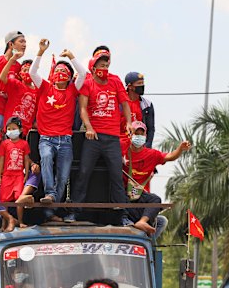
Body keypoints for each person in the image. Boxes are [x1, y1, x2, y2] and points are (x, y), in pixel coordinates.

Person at [65, 48, 133, 225]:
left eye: (106, 64)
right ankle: (74, 212)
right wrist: (89, 127)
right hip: (93, 138)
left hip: (112, 138)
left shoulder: (115, 81)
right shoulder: (88, 83)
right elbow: (82, 109)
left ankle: (123, 215)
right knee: (84, 172)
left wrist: (128, 122)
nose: (104, 68)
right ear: (93, 68)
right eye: (101, 65)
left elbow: (125, 104)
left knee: (116, 176)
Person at [29, 39, 87, 222]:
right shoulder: (45, 87)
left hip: (66, 140)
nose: (60, 73)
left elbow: (84, 73)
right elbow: (32, 72)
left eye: (64, 71)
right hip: (46, 138)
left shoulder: (72, 91)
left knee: (63, 176)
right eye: (58, 70)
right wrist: (40, 52)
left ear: (70, 76)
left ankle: (52, 206)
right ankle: (50, 194)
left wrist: (71, 56)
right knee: (46, 159)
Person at [123, 121, 190, 236]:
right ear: (130, 134)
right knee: (117, 197)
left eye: (141, 134)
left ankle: (142, 224)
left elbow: (170, 156)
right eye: (136, 133)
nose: (138, 137)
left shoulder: (151, 154)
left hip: (138, 195)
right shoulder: (122, 148)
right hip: (122, 193)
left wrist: (180, 149)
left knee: (156, 201)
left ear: (145, 136)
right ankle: (126, 221)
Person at [0, 116, 36, 228]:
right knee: (3, 200)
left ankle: (20, 221)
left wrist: (26, 175)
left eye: (14, 128)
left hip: (18, 175)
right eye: (9, 129)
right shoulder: (5, 144)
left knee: (19, 198)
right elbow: (1, 160)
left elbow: (26, 160)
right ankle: (4, 223)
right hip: (7, 176)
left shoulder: (24, 144)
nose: (11, 131)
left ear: (20, 130)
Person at [0, 57, 38, 136]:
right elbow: (2, 77)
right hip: (10, 129)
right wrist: (11, 60)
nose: (27, 73)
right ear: (20, 74)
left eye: (30, 71)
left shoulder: (38, 91)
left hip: (25, 133)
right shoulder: (16, 84)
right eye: (25, 70)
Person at [120, 72, 155, 149]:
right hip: (120, 144)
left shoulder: (147, 105)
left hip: (139, 145)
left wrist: (147, 146)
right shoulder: (119, 103)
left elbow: (151, 129)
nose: (142, 86)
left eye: (143, 83)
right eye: (139, 83)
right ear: (130, 86)